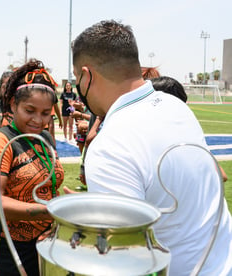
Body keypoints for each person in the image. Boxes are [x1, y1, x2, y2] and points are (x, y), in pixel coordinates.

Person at [72, 20, 232, 275]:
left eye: (77, 79)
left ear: (87, 75)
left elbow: (125, 260)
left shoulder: (109, 145)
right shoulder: (177, 107)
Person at [0, 59, 64, 275]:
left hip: (45, 241)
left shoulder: (44, 137)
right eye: (30, 110)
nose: (38, 120)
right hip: (8, 247)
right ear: (13, 104)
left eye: (46, 113)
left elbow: (49, 185)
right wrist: (51, 212)